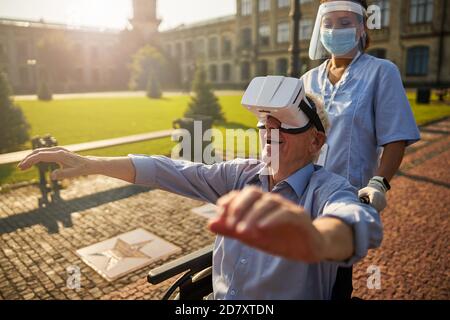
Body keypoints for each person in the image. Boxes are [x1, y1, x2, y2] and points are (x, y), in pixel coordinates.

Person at [18, 79, 382, 299]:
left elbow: (356, 221)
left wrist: (315, 238)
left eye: (283, 125)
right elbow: (168, 170)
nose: (269, 133)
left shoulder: (327, 190)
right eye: (263, 125)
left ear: (315, 140)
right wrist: (91, 164)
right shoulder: (240, 177)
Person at [300, 0, 421, 298]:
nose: (334, 29)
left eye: (345, 22)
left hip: (346, 200)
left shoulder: (381, 72)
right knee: (299, 280)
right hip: (304, 197)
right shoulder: (307, 80)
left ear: (363, 26)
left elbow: (396, 137)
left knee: (336, 282)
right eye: (328, 23)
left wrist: (378, 183)